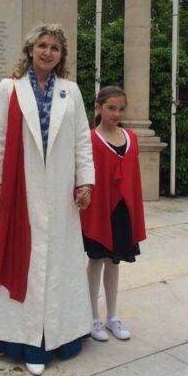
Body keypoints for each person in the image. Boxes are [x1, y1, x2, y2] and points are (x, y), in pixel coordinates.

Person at [0, 23, 95, 376]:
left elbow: (81, 141)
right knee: (25, 259)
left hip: (61, 191)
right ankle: (26, 339)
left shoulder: (70, 91)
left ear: (61, 56)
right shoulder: (9, 88)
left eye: (55, 48)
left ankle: (61, 334)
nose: (48, 52)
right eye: (42, 46)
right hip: (22, 188)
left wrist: (85, 182)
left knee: (59, 260)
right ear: (30, 50)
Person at [80, 86, 146, 342]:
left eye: (120, 109)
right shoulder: (90, 138)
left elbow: (133, 178)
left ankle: (112, 316)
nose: (116, 113)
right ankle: (92, 317)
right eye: (111, 108)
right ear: (99, 107)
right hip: (99, 209)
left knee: (114, 261)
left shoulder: (131, 137)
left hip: (123, 209)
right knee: (95, 260)